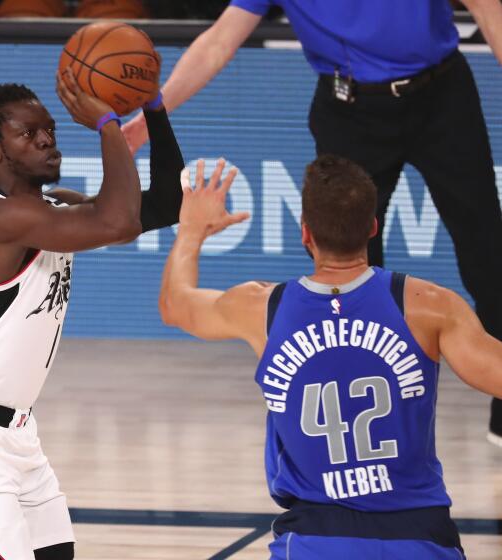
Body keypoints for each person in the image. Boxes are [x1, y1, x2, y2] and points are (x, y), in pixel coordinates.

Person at [123, 0, 502, 442]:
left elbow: (490, 10)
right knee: (346, 266)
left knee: (487, 252)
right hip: (349, 109)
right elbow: (218, 41)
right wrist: (151, 120)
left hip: (442, 98)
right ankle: (361, 402)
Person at [159, 154, 502, 559]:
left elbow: (175, 305)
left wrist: (193, 232)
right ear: (373, 228)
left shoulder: (261, 308)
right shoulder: (429, 305)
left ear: (306, 234)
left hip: (314, 541)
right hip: (419, 537)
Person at [0, 68, 183, 560]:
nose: (47, 140)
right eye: (29, 134)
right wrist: (108, 125)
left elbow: (164, 205)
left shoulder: (52, 210)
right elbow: (117, 218)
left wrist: (155, 107)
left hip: (16, 433)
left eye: (50, 129)